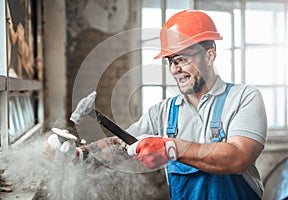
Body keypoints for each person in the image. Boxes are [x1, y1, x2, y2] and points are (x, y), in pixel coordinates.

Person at [45, 10, 267, 200]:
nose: (175, 69)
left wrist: (171, 148)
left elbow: (238, 158)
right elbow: (122, 145)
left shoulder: (244, 98)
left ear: (209, 56)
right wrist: (80, 154)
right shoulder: (164, 112)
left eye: (183, 59)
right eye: (171, 61)